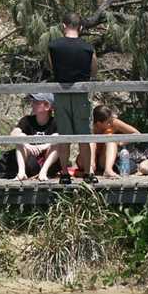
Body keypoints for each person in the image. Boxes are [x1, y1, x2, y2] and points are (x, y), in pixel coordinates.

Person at [48, 12, 98, 185]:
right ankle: (88, 173)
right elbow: (94, 69)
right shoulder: (87, 47)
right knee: (85, 135)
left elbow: (51, 66)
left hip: (61, 93)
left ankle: (64, 174)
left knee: (64, 136)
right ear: (81, 27)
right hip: (81, 94)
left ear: (63, 26)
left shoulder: (53, 46)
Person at [10, 93, 61, 181]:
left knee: (57, 141)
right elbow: (14, 133)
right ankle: (21, 173)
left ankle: (43, 172)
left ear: (47, 106)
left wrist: (45, 145)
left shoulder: (56, 122)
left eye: (37, 102)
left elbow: (60, 136)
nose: (32, 104)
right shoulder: (27, 120)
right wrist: (26, 144)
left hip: (49, 162)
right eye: (33, 101)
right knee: (20, 137)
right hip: (31, 160)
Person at [90, 105, 140, 178]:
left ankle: (108, 170)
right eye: (108, 122)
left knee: (111, 138)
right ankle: (90, 169)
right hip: (88, 159)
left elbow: (137, 134)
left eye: (111, 120)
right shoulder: (89, 126)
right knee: (91, 140)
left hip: (103, 159)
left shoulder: (114, 123)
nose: (111, 123)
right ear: (98, 123)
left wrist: (120, 142)